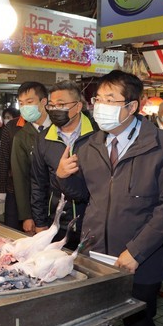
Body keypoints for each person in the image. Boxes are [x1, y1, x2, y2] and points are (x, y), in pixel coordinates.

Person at [57, 70, 163, 326]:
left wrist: (137, 251)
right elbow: (84, 194)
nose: (101, 106)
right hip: (93, 253)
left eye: (111, 99)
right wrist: (63, 176)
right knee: (92, 322)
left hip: (139, 260)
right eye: (98, 99)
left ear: (133, 106)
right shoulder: (88, 145)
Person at [31, 80, 97, 247]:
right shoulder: (44, 138)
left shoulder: (97, 136)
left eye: (61, 104)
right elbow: (38, 183)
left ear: (78, 106)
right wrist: (40, 223)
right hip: (56, 223)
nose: (55, 110)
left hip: (91, 224)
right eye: (51, 106)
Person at [11, 82, 52, 234]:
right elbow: (20, 178)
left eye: (29, 102)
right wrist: (26, 215)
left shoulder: (60, 128)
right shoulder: (21, 137)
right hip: (36, 208)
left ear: (43, 101)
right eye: (21, 103)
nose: (25, 107)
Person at [0, 107, 24, 229]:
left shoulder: (48, 127)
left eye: (29, 101)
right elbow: (3, 159)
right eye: (22, 103)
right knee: (11, 229)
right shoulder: (10, 127)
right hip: (13, 188)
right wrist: (2, 188)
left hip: (37, 192)